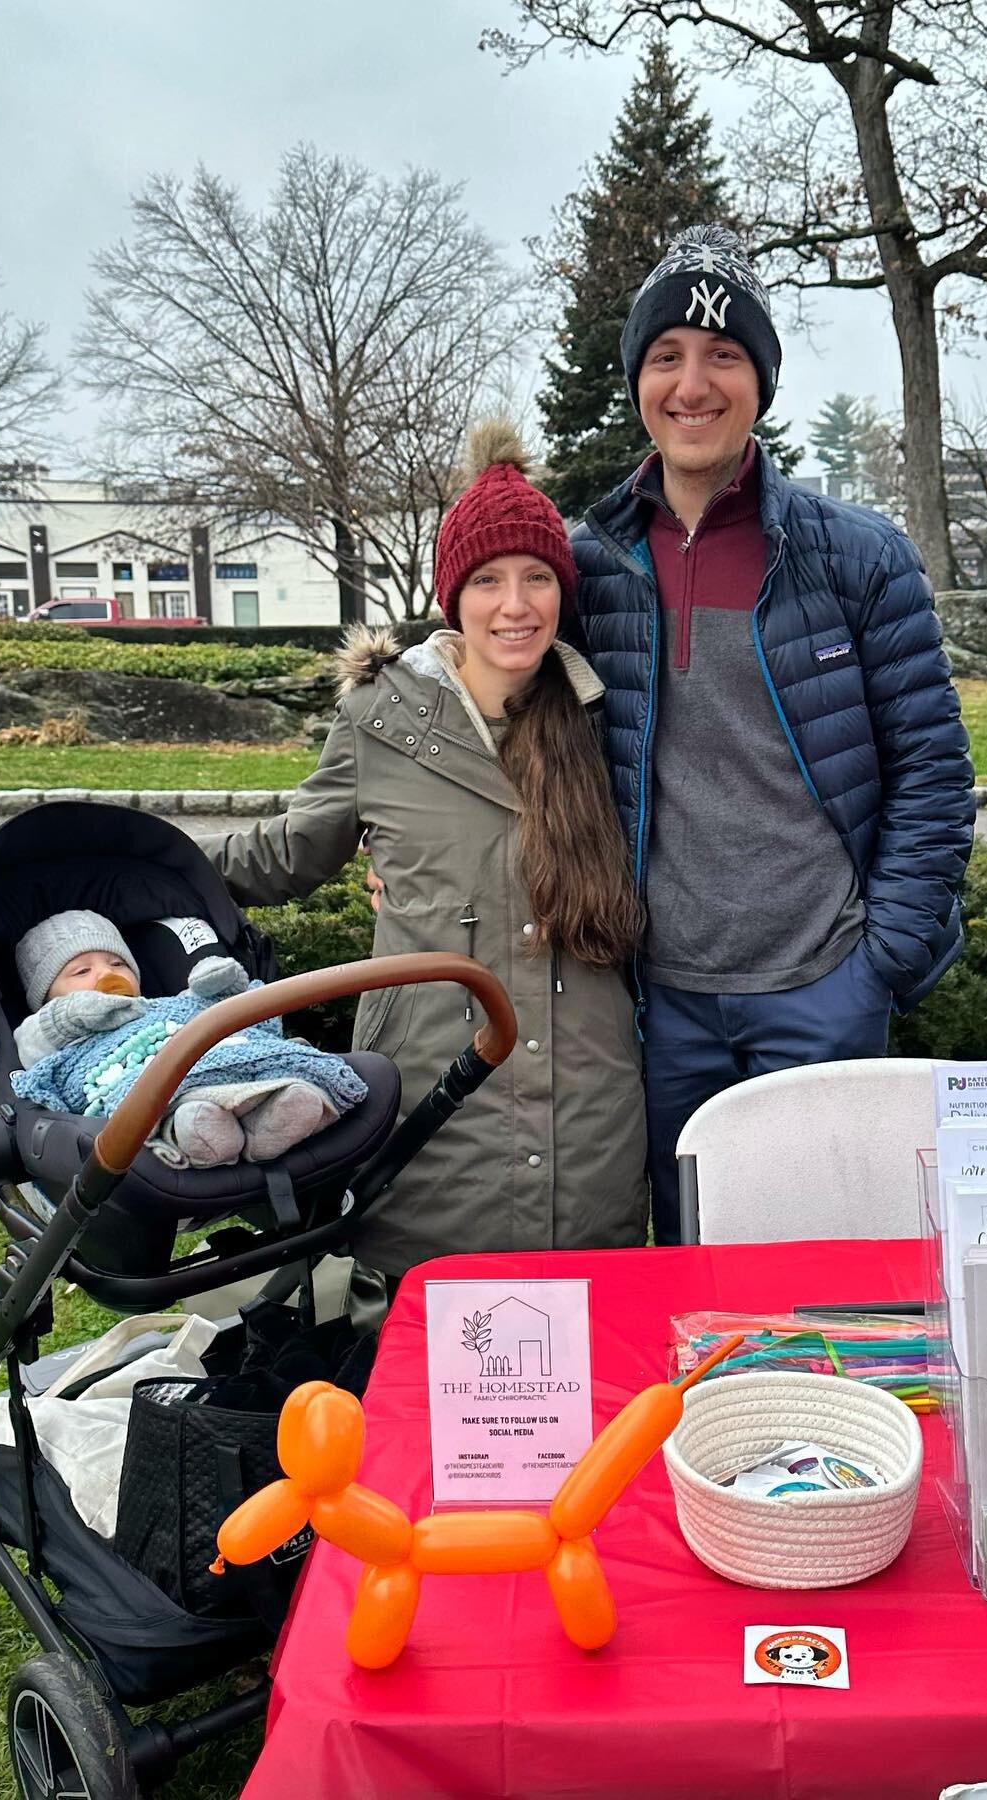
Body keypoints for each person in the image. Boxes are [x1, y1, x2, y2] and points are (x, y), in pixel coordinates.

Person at [572, 223, 976, 1242]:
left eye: (724, 356)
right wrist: (392, 840)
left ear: (761, 382)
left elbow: (934, 771)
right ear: (637, 382)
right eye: (666, 356)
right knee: (692, 1272)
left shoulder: (858, 559)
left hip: (825, 989)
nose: (692, 384)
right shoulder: (586, 567)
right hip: (661, 1006)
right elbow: (480, 703)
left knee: (836, 1278)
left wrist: (879, 959)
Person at [202, 422, 648, 1279]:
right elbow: (293, 851)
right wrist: (153, 868)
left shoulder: (604, 717)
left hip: (590, 1103)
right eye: (487, 580)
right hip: (434, 1087)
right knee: (426, 1338)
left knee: (584, 1341)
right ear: (454, 593)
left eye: (537, 578)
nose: (514, 606)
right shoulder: (382, 718)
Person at [10, 908, 369, 1166]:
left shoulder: (159, 1005)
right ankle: (204, 1124)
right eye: (81, 971)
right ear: (46, 996)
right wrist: (70, 1015)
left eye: (117, 964)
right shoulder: (54, 1032)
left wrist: (222, 987)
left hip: (218, 1058)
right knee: (192, 1109)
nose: (105, 973)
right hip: (152, 1091)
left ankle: (274, 1119)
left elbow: (217, 1013)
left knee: (250, 1052)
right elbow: (30, 1045)